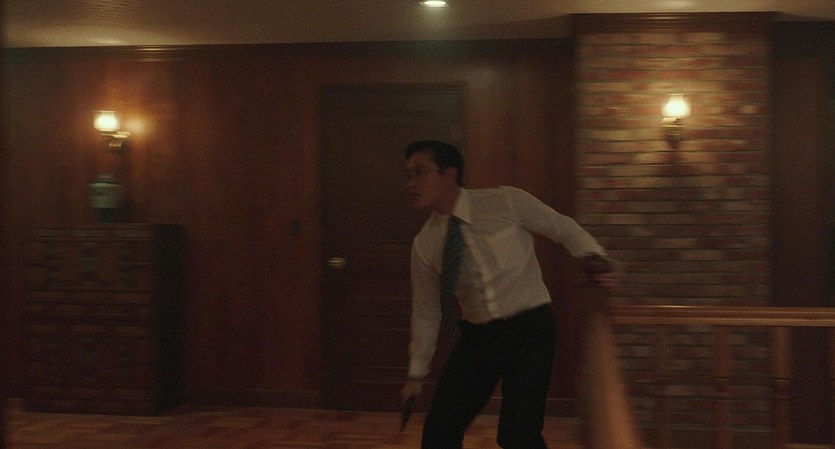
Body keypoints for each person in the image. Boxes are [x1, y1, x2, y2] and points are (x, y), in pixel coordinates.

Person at [400, 140, 620, 449]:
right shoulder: (425, 244)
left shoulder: (506, 202)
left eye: (420, 172)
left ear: (449, 174)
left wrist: (594, 257)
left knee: (518, 436)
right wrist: (416, 374)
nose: (411, 183)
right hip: (478, 337)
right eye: (408, 175)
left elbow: (561, 227)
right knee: (439, 432)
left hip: (530, 330)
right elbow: (426, 311)